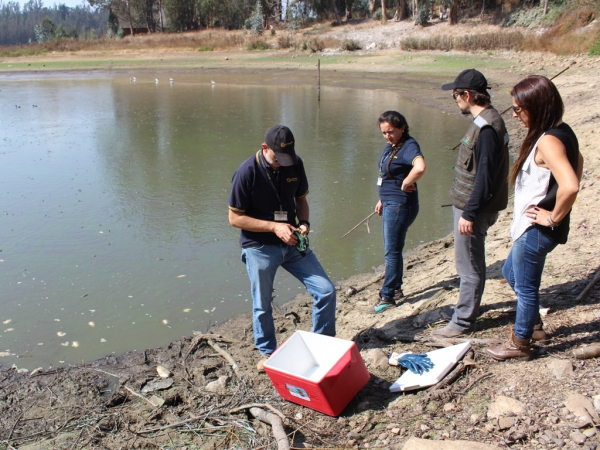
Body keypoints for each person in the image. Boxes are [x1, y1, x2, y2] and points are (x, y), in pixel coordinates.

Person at [487, 75, 583, 361]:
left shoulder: (549, 141)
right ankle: (534, 326)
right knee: (509, 273)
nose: (515, 115)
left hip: (536, 230)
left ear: (537, 106)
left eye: (518, 109)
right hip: (534, 227)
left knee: (526, 289)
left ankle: (521, 343)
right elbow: (578, 163)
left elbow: (571, 185)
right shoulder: (562, 131)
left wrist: (553, 216)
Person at [228, 125, 336, 372]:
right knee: (262, 303)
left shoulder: (294, 163)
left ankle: (322, 344)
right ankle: (267, 352)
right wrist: (274, 227)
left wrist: (305, 223)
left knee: (326, 291)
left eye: (286, 158)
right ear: (265, 148)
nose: (282, 164)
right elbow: (234, 219)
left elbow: (301, 200)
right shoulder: (246, 173)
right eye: (278, 158)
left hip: (292, 242)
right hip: (259, 247)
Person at [433, 69, 510, 337]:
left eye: (456, 96)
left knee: (469, 266)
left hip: (473, 210)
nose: (455, 101)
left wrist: (470, 213)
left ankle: (462, 322)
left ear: (467, 95)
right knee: (469, 263)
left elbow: (486, 177)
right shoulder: (486, 121)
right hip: (472, 208)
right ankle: (467, 311)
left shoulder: (487, 128)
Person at [367, 111, 426, 314]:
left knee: (391, 252)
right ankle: (397, 288)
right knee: (394, 249)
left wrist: (408, 182)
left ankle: (387, 296)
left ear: (402, 127)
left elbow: (420, 167)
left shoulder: (409, 146)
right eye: (384, 132)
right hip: (390, 203)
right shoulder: (392, 146)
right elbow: (388, 175)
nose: (387, 136)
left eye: (390, 131)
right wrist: (381, 198)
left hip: (400, 206)